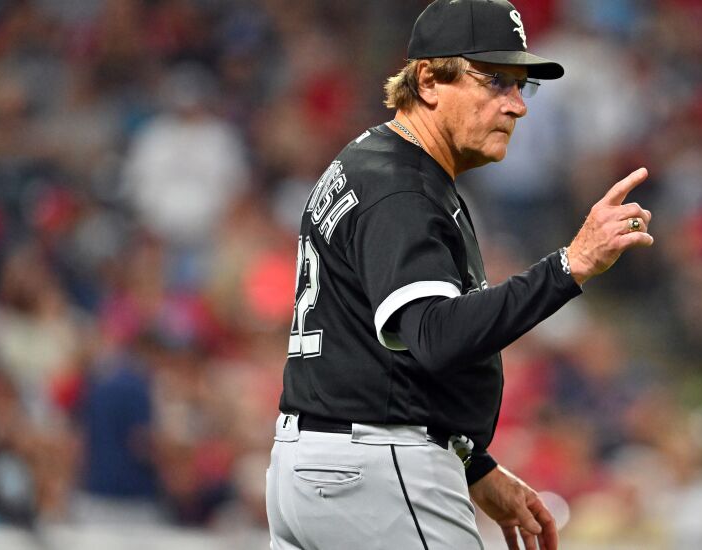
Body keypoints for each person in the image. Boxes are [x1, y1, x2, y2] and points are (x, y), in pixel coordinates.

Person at [265, 1, 653, 549]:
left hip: (318, 467)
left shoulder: (373, 162)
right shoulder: (401, 186)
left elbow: (386, 358)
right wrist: (571, 265)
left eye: (521, 85)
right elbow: (436, 336)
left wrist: (474, 466)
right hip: (377, 469)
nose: (517, 105)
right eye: (494, 80)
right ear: (428, 80)